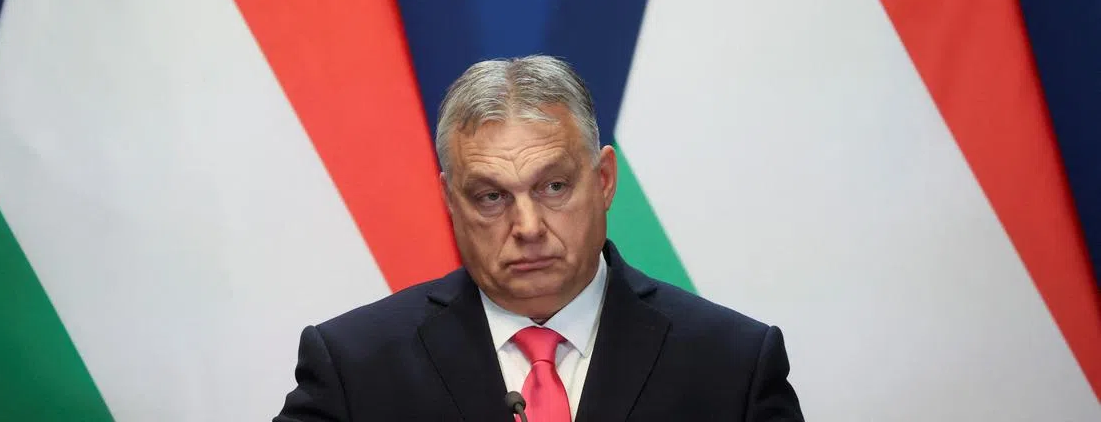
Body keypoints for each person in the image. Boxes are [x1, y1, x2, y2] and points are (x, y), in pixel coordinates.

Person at [275, 55, 804, 421]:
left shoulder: (732, 365)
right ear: (450, 201)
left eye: (553, 187)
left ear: (604, 181)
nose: (527, 227)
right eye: (491, 196)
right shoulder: (355, 368)